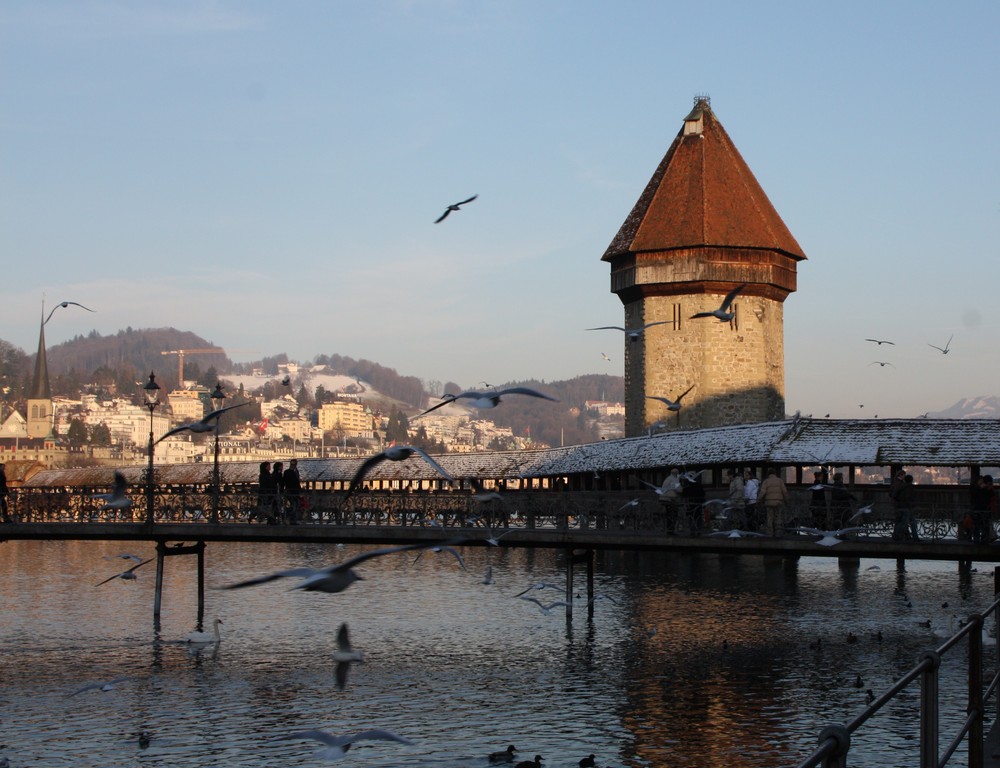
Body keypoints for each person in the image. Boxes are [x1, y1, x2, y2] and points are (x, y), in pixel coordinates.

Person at [758, 468, 789, 537]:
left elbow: (762, 492)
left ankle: (770, 533)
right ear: (775, 474)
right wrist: (786, 500)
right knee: (778, 517)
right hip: (778, 502)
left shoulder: (766, 481)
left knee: (769, 518)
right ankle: (778, 533)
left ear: (768, 474)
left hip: (769, 502)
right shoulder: (780, 481)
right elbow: (784, 491)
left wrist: (758, 500)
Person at [891, 473, 920, 542]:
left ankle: (897, 535)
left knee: (903, 522)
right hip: (907, 507)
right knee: (911, 523)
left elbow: (894, 495)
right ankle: (915, 537)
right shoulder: (909, 488)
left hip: (901, 506)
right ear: (911, 480)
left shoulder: (901, 486)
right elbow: (909, 497)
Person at [659, 468, 682, 533]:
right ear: (676, 474)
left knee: (669, 515)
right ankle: (671, 530)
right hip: (670, 500)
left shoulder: (667, 478)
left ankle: (668, 529)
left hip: (663, 498)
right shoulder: (674, 479)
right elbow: (679, 490)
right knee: (673, 514)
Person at [283, 459, 302, 524]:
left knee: (295, 505)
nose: (293, 466)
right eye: (292, 464)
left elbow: (297, 482)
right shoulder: (287, 472)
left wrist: (300, 489)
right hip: (290, 491)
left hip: (296, 491)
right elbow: (286, 482)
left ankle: (292, 519)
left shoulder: (296, 471)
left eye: (294, 464)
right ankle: (291, 519)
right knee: (293, 505)